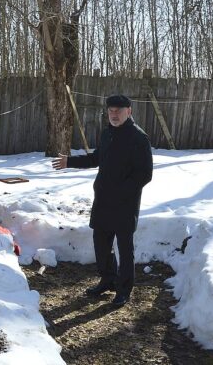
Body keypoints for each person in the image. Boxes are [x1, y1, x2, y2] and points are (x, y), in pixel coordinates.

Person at [52, 94, 153, 307]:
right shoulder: (108, 134)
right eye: (110, 111)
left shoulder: (138, 138)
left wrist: (121, 191)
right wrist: (69, 161)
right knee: (101, 244)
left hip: (125, 204)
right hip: (103, 201)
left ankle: (124, 290)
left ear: (129, 111)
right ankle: (107, 280)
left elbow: (144, 175)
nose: (114, 114)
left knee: (125, 249)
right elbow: (97, 158)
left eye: (118, 110)